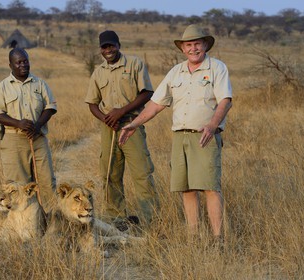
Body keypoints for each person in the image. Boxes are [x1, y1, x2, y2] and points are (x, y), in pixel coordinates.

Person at [119, 25, 232, 239]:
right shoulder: (175, 72)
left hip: (205, 136)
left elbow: (225, 101)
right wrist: (134, 124)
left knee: (210, 187)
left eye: (197, 43)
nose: (193, 48)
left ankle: (219, 239)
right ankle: (193, 237)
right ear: (182, 48)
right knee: (186, 188)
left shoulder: (217, 68)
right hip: (180, 137)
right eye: (188, 45)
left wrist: (212, 125)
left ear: (205, 45)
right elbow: (156, 104)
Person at [85, 30, 159, 230]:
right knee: (110, 173)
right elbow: (92, 104)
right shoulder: (98, 72)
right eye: (104, 47)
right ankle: (116, 218)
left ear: (119, 45)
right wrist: (107, 119)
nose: (108, 50)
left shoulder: (135, 64)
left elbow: (147, 93)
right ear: (100, 50)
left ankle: (150, 219)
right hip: (110, 127)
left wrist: (121, 112)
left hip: (132, 124)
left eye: (111, 45)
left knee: (142, 173)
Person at [0, 48, 57, 212]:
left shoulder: (40, 84)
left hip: (38, 138)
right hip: (14, 141)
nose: (23, 65)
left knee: (47, 182)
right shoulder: (2, 87)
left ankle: (51, 221)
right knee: (19, 186)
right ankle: (23, 224)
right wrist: (18, 123)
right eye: (18, 62)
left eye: (25, 61)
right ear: (10, 65)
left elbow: (50, 107)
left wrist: (37, 125)